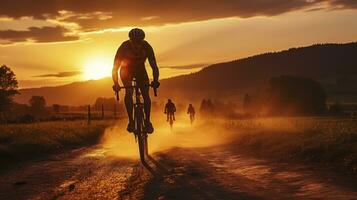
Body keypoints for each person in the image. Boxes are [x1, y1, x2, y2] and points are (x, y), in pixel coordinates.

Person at [112, 28, 160, 133]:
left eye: (139, 41)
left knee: (146, 94)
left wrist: (155, 80)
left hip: (140, 71)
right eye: (134, 41)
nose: (137, 44)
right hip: (126, 71)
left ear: (142, 40)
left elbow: (154, 67)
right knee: (129, 92)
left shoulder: (147, 47)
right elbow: (115, 68)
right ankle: (131, 121)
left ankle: (147, 121)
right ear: (130, 40)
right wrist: (116, 83)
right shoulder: (124, 47)